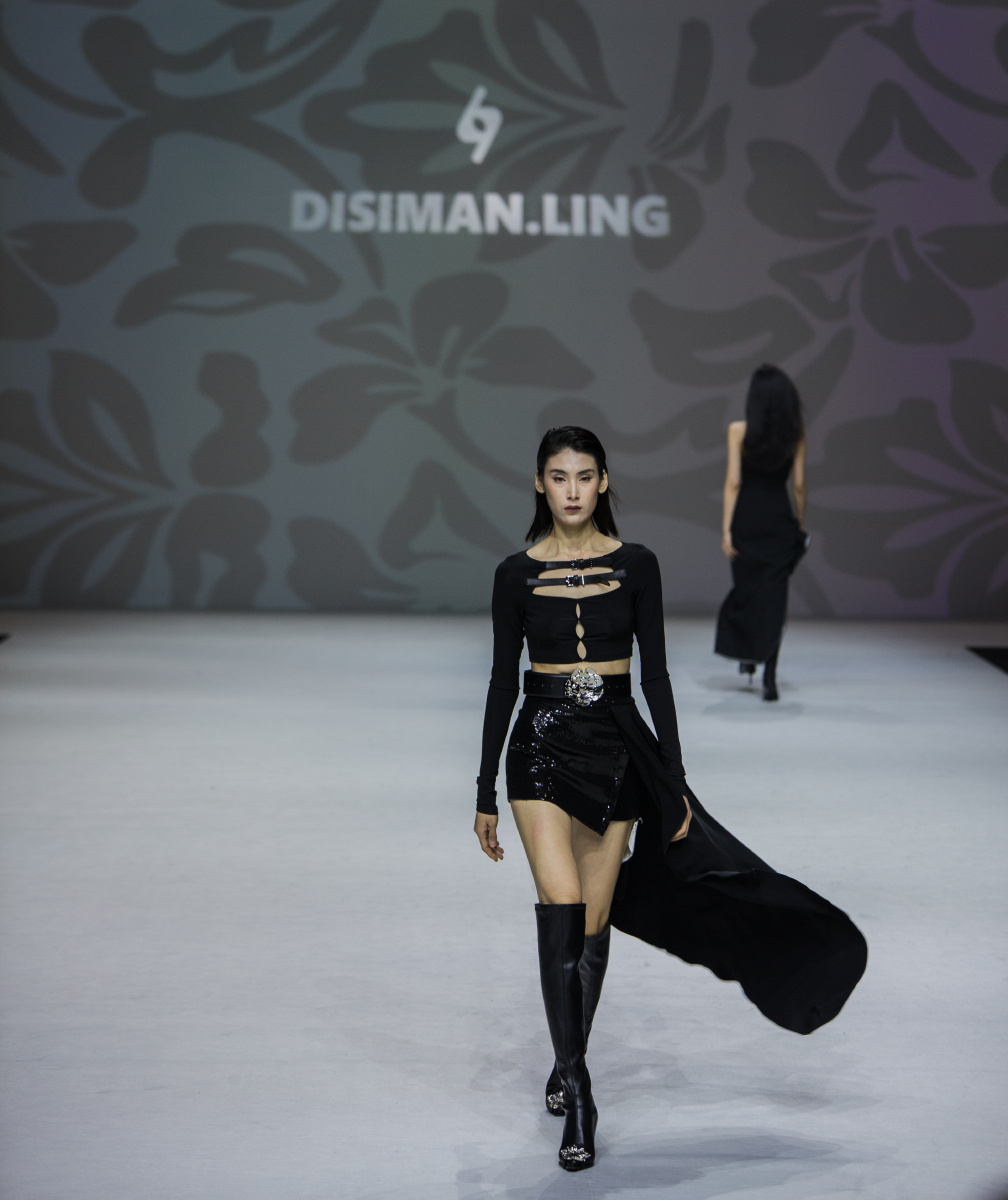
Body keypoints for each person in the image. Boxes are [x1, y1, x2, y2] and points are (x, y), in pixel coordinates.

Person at [474, 426, 866, 1172]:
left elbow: (654, 676)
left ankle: (565, 1056)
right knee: (561, 912)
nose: (571, 490)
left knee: (593, 928)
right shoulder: (513, 575)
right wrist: (485, 786)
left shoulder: (638, 565)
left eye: (584, 476)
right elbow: (501, 680)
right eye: (558, 477)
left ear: (603, 481)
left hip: (617, 747)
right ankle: (580, 1091)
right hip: (538, 747)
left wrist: (674, 780)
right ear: (539, 484)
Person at [716, 364, 809, 700]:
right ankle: (769, 673)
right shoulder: (795, 435)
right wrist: (798, 525)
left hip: (747, 520)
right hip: (778, 520)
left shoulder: (738, 431)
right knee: (774, 600)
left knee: (748, 590)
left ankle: (749, 655)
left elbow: (733, 482)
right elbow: (798, 486)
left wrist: (726, 529)